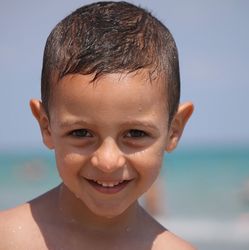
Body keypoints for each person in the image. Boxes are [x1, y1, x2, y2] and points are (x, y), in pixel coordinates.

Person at [0, 1, 195, 249]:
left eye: (135, 133)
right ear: (46, 126)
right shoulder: (7, 238)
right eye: (81, 133)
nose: (107, 161)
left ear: (174, 129)